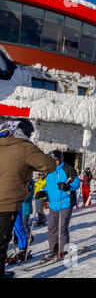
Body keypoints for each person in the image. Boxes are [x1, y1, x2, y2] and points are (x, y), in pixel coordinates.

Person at [0, 119, 55, 278]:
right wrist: (31, 148)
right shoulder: (24, 147)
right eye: (29, 134)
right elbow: (48, 165)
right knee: (2, 242)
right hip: (6, 204)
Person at [34, 150, 80, 262]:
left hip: (65, 202)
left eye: (56, 160)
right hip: (53, 204)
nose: (54, 162)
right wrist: (43, 192)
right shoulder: (49, 172)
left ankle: (63, 251)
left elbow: (77, 183)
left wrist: (67, 186)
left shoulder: (68, 169)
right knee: (51, 228)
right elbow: (49, 187)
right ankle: (53, 250)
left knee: (62, 228)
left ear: (60, 159)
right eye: (52, 160)